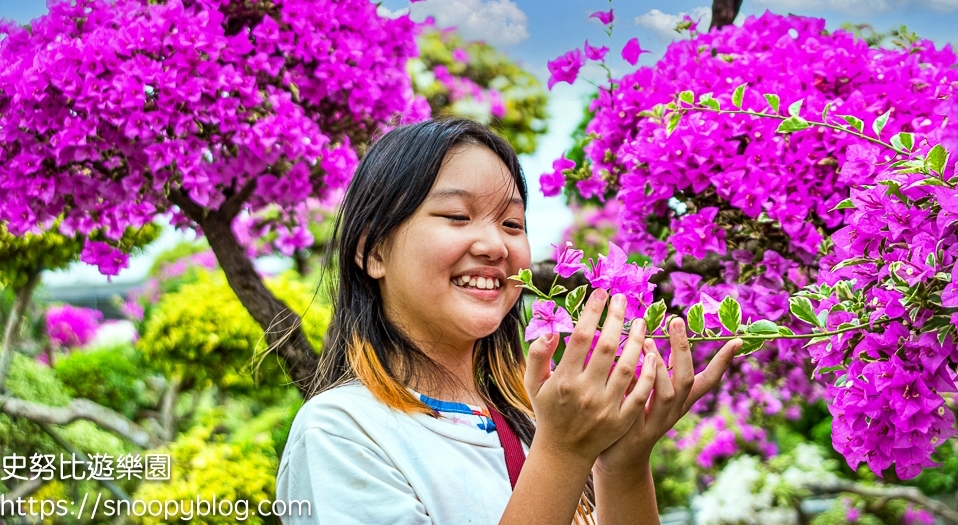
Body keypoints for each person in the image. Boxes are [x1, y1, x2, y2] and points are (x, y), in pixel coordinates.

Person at [275, 118, 742, 525]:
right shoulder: (340, 433)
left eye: (512, 224)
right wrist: (562, 455)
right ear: (372, 251)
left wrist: (622, 462)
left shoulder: (531, 422)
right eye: (457, 216)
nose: (495, 246)